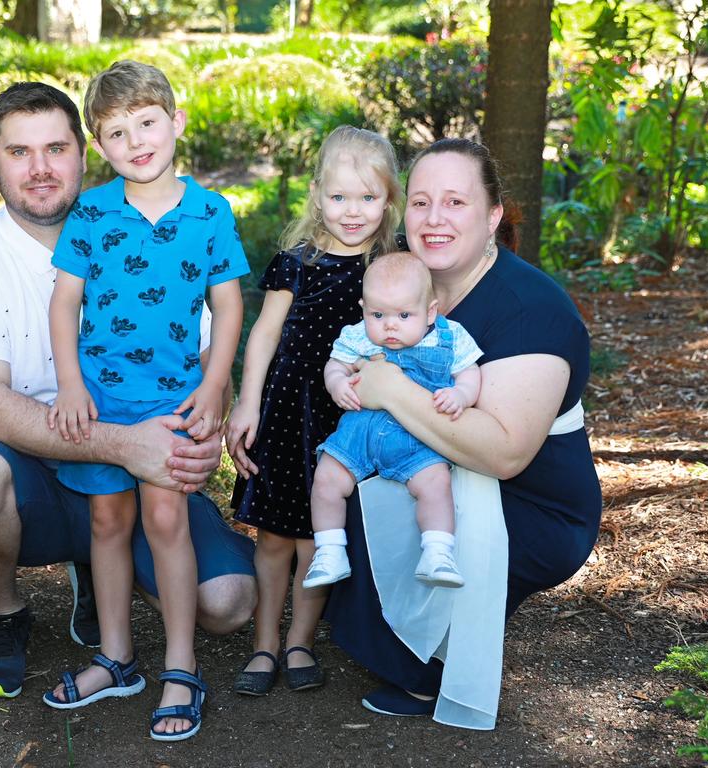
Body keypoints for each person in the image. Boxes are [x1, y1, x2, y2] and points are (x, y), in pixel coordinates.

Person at [0, 81, 256, 712]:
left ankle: (132, 598)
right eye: (19, 152)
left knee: (228, 603)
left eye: (56, 147)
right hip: (41, 471)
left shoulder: (179, 220)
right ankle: (8, 615)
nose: (42, 168)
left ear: (83, 152)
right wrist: (126, 445)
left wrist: (206, 417)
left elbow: (215, 340)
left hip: (154, 434)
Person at [325, 138, 602, 718]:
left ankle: (431, 661)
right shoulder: (404, 285)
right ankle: (403, 641)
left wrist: (389, 388)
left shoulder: (533, 312)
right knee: (339, 480)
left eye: (455, 202)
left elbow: (505, 456)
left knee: (397, 513)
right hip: (431, 463)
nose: (434, 219)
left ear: (493, 215)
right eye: (421, 202)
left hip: (532, 502)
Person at [42, 61, 248, 742]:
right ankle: (117, 657)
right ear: (99, 147)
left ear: (176, 122)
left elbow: (227, 304)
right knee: (108, 524)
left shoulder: (209, 213)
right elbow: (65, 301)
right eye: (117, 132)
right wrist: (71, 384)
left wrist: (215, 386)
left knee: (166, 522)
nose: (136, 141)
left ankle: (181, 667)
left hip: (174, 402)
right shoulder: (93, 213)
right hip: (101, 402)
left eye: (147, 123)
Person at [225, 126, 403, 696]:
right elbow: (263, 335)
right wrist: (246, 402)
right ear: (317, 194)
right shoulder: (295, 262)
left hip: (347, 414)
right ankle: (264, 645)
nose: (353, 212)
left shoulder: (389, 266)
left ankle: (301, 639)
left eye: (368, 198)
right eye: (340, 197)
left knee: (318, 538)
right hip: (285, 408)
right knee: (275, 536)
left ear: (390, 201)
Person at [303, 251, 481, 591]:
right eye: (377, 314)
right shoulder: (357, 336)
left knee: (436, 483)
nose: (390, 325)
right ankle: (328, 551)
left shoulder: (450, 337)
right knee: (326, 479)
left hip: (416, 437)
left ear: (430, 311)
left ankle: (438, 551)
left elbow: (469, 374)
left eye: (403, 314)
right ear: (363, 309)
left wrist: (461, 395)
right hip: (359, 432)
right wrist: (337, 382)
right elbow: (336, 365)